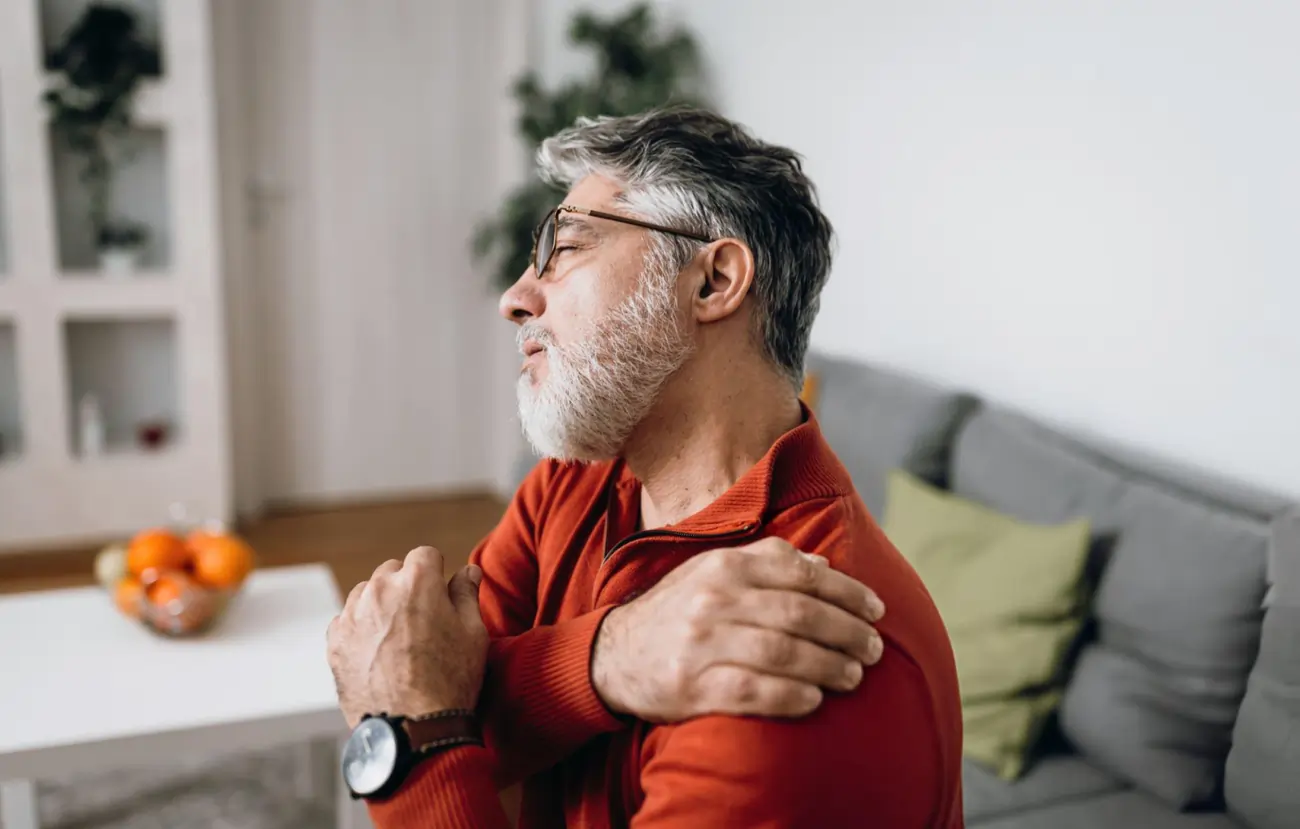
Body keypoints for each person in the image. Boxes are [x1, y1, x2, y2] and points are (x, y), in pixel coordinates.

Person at [327, 106, 964, 828]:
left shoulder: (784, 645)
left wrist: (411, 731)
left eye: (564, 248)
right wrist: (606, 658)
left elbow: (435, 702)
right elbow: (455, 691)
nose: (515, 298)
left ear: (713, 281)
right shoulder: (571, 485)